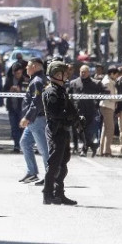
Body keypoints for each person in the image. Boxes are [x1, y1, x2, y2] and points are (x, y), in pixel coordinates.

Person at [42, 61, 81, 205]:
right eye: (64, 73)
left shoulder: (61, 91)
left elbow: (70, 110)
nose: (66, 75)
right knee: (54, 164)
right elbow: (55, 113)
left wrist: (77, 120)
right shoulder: (51, 92)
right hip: (55, 130)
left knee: (63, 163)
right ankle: (47, 193)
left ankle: (59, 193)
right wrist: (68, 116)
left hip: (63, 130)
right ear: (57, 74)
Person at [18, 59, 49, 184]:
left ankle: (50, 175)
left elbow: (37, 102)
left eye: (28, 66)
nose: (26, 68)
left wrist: (27, 117)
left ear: (35, 67)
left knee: (43, 149)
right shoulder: (37, 79)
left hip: (37, 119)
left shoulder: (37, 81)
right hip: (34, 120)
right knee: (25, 143)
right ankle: (32, 172)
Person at [68, 64, 102, 156]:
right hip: (77, 110)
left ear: (88, 73)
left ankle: (84, 149)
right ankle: (91, 145)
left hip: (90, 110)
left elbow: (103, 93)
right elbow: (69, 94)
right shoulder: (73, 83)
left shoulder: (95, 83)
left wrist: (97, 103)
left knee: (87, 131)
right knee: (78, 131)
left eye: (85, 72)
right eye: (81, 72)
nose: (83, 73)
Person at [3, 59, 28, 153]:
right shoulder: (9, 79)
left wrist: (20, 91)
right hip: (11, 107)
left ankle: (22, 144)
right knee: (14, 127)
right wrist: (10, 90)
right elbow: (3, 91)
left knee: (22, 127)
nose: (19, 75)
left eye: (20, 73)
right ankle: (16, 145)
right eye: (17, 73)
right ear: (13, 72)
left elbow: (27, 93)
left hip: (21, 108)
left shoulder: (25, 80)